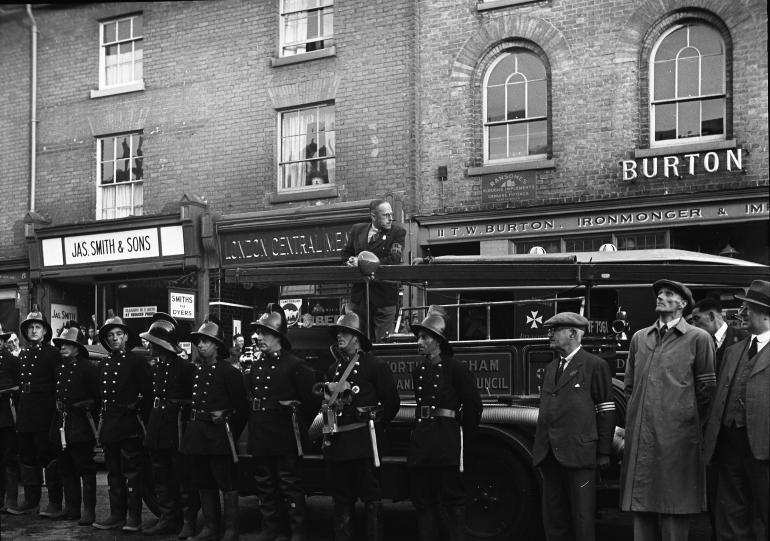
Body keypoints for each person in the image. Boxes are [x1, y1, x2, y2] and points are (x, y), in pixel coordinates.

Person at [620, 279, 716, 541]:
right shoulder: (640, 338)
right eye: (659, 293)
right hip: (642, 438)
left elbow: (707, 391)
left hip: (679, 440)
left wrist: (683, 419)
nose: (661, 297)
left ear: (683, 304)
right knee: (642, 506)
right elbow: (629, 386)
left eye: (668, 293)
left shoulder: (698, 338)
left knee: (675, 506)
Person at [533, 312, 615, 541]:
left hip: (580, 454)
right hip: (550, 454)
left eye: (555, 330)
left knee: (582, 519)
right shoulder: (551, 367)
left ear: (572, 333)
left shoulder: (595, 365)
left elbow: (606, 410)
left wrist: (604, 452)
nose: (550, 334)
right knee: (554, 518)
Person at [320, 311, 400, 541]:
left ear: (356, 337)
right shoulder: (334, 369)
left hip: (364, 444)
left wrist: (373, 425)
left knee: (371, 497)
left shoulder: (374, 366)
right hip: (339, 445)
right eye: (338, 332)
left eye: (344, 332)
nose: (339, 336)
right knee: (341, 498)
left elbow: (391, 403)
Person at [702, 280, 769, 541]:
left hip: (764, 449)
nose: (741, 313)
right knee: (730, 513)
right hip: (729, 445)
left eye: (747, 308)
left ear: (765, 313)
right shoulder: (733, 351)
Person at [407, 307, 482, 541]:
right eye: (419, 337)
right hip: (423, 445)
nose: (419, 342)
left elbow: (473, 407)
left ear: (438, 341)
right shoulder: (419, 371)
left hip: (446, 443)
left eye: (424, 337)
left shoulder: (456, 369)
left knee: (453, 500)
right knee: (423, 501)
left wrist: (461, 440)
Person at [247, 304, 319, 541]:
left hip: (285, 436)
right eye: (258, 332)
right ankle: (271, 529)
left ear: (278, 336)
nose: (258, 337)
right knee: (265, 485)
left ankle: (296, 531)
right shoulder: (256, 367)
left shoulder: (296, 366)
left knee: (289, 485)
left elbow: (311, 403)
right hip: (261, 434)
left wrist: (296, 425)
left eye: (264, 333)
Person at [180, 316, 248, 541]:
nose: (200, 345)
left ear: (217, 345)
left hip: (219, 437)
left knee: (226, 483)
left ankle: (230, 530)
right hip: (197, 436)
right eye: (199, 341)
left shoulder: (230, 373)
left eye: (206, 341)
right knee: (203, 482)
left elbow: (241, 409)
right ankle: (210, 528)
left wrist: (228, 431)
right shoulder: (196, 372)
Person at [92, 312, 152, 532]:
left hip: (129, 425)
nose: (115, 338)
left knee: (132, 474)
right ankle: (116, 515)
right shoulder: (104, 364)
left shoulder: (137, 361)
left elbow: (148, 395)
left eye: (119, 334)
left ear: (126, 336)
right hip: (110, 424)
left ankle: (133, 517)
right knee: (114, 474)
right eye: (110, 335)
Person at [140, 312, 199, 538]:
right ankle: (167, 518)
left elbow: (194, 400)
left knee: (182, 476)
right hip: (158, 426)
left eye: (154, 343)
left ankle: (188, 520)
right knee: (160, 475)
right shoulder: (155, 367)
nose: (150, 346)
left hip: (177, 428)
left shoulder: (185, 368)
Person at [7, 308, 61, 518]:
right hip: (26, 412)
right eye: (30, 327)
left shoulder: (53, 354)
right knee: (28, 458)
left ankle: (55, 503)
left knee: (48, 456)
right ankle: (31, 502)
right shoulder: (24, 354)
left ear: (45, 331)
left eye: (38, 327)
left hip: (45, 413)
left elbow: (58, 385)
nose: (34, 330)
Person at [50, 327, 100, 525]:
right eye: (61, 344)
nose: (62, 347)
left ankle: (89, 511)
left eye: (67, 344)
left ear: (77, 348)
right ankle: (72, 509)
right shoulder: (59, 369)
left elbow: (96, 398)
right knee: (65, 467)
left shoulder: (88, 368)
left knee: (85, 468)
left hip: (81, 423)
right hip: (63, 423)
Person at [341, 199, 407, 342]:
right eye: (386, 215)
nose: (390, 219)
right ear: (373, 216)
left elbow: (394, 259)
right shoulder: (357, 230)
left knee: (382, 343)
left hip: (384, 298)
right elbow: (345, 254)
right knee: (359, 341)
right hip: (360, 297)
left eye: (391, 214)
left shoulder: (397, 232)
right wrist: (350, 262)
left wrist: (362, 262)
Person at [691, 297, 748, 375]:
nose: (694, 325)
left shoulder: (744, 338)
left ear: (711, 316)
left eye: (697, 318)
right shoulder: (699, 343)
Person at [0, 325, 19, 513]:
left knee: (9, 459)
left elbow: (19, 387)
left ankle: (11, 500)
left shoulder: (12, 361)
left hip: (7, 416)